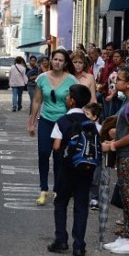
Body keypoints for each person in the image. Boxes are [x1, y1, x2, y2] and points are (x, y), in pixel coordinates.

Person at [47, 84, 100, 256]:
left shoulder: (62, 121)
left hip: (67, 168)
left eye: (68, 95)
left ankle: (61, 240)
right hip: (86, 168)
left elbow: (56, 146)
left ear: (72, 101)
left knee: (61, 202)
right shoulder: (90, 123)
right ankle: (79, 246)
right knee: (81, 205)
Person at [101, 65, 129, 255]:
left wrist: (112, 145)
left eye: (119, 79)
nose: (115, 81)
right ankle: (127, 237)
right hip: (124, 155)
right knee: (127, 198)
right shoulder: (128, 102)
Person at [28, 49, 78, 205]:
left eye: (61, 60)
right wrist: (32, 122)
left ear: (65, 63)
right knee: (43, 153)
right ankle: (43, 189)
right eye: (55, 59)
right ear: (50, 60)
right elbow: (37, 100)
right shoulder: (42, 78)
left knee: (58, 157)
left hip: (63, 123)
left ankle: (57, 189)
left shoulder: (71, 80)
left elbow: (75, 103)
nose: (57, 62)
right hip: (46, 120)